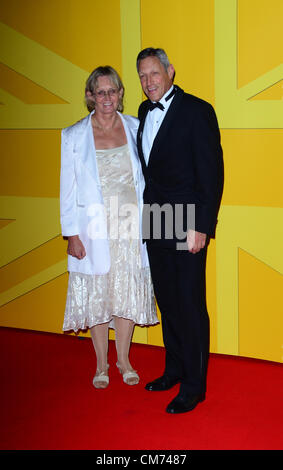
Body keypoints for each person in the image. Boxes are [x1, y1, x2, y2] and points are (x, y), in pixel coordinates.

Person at [136, 48, 224, 413]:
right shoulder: (143, 111)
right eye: (142, 76)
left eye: (154, 73)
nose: (148, 81)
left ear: (170, 71)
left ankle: (194, 384)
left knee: (189, 305)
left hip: (186, 221)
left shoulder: (198, 110)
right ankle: (173, 369)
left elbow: (213, 173)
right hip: (154, 218)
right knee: (167, 301)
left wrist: (201, 226)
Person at [60, 66, 158, 389]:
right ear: (90, 96)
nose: (107, 98)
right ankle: (101, 363)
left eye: (112, 91)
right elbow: (68, 190)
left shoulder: (135, 127)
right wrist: (71, 234)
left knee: (126, 293)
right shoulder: (73, 136)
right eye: (100, 92)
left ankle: (124, 359)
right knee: (100, 297)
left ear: (120, 94)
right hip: (93, 232)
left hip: (130, 226)